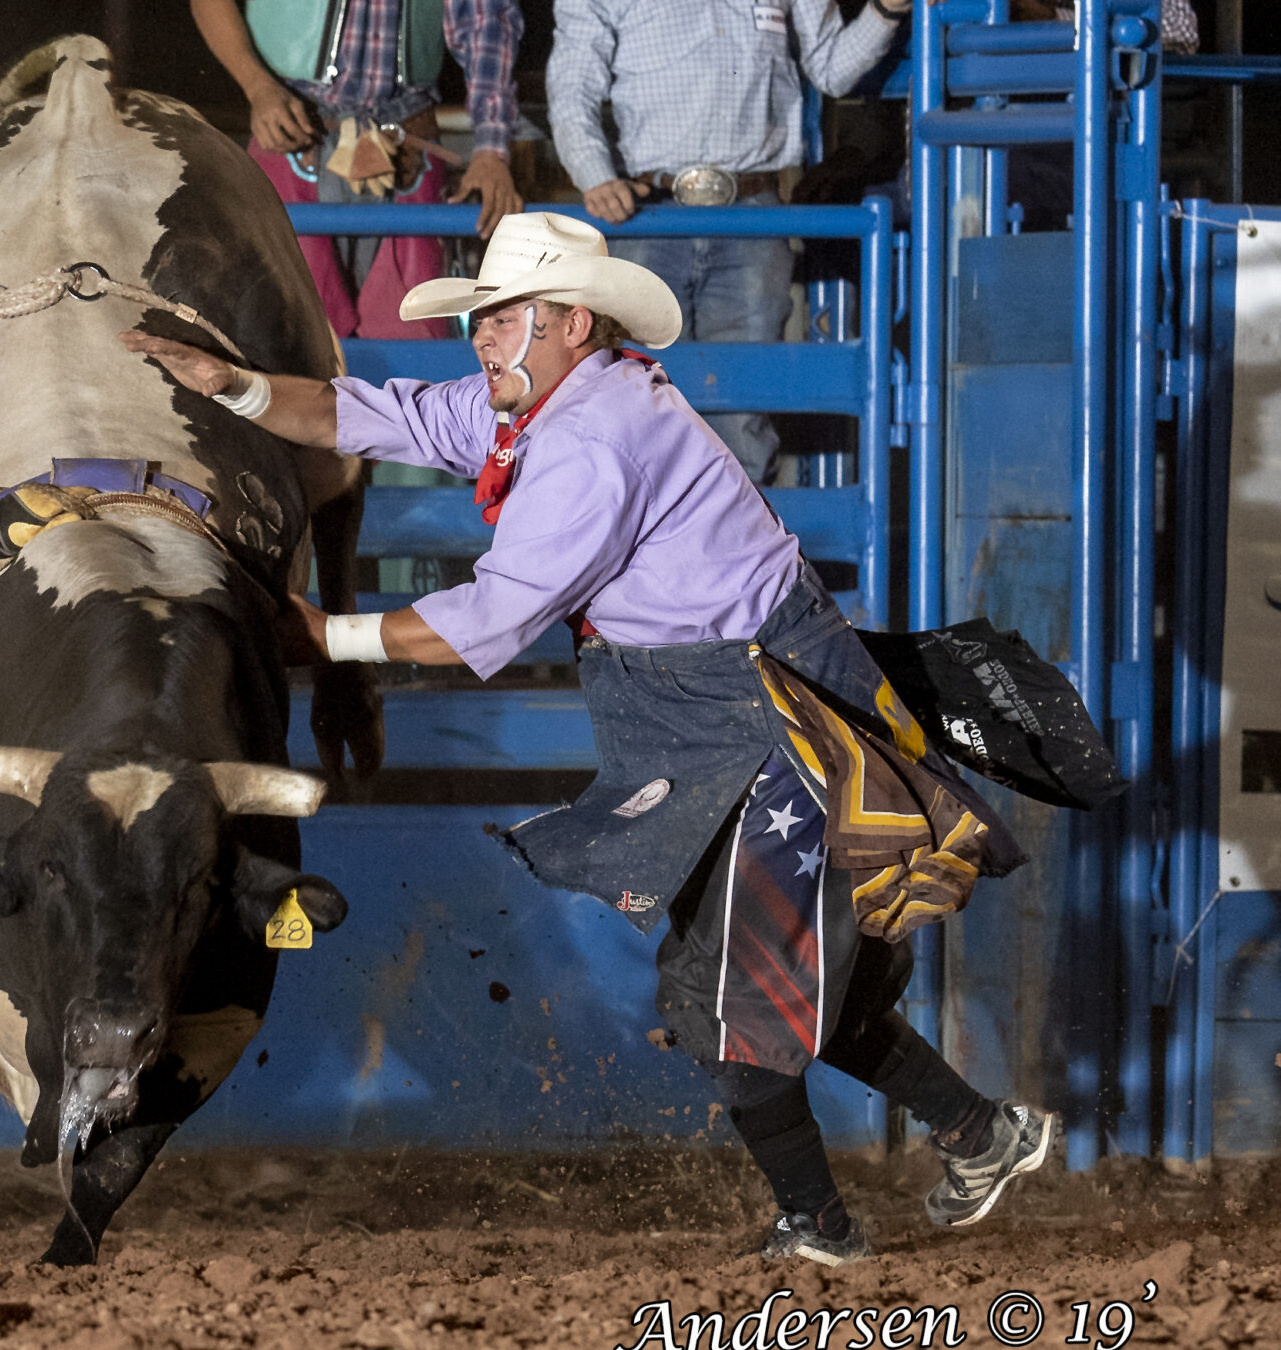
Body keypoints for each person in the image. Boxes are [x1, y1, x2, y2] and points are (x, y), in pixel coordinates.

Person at [121, 211, 1056, 1267]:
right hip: (719, 715)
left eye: (503, 316)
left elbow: (488, 617)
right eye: (479, 319)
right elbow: (370, 414)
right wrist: (233, 386)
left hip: (762, 726)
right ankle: (977, 1134)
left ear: (570, 322)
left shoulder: (590, 444)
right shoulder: (553, 404)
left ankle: (824, 1224)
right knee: (767, 983)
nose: (481, 337)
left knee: (729, 997)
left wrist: (322, 636)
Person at [547, 0, 909, 482]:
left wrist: (885, 8)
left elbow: (831, 68)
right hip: (648, 217)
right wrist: (595, 175)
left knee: (741, 419)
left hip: (749, 217)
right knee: (636, 418)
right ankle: (651, 533)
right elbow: (572, 84)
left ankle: (737, 531)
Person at [187, 0, 524, 342]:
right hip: (293, 137)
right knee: (283, 338)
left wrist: (491, 149)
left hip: (408, 150)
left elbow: (486, 21)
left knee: (417, 338)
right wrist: (257, 86)